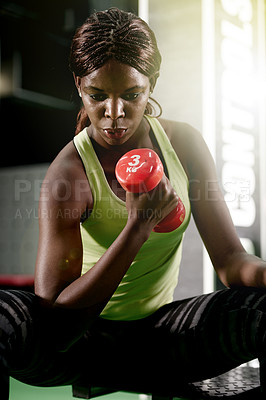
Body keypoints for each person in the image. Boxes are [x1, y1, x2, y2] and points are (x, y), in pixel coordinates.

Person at [1, 7, 266, 398]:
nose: (113, 114)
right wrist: (137, 229)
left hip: (163, 336)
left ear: (151, 83)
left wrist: (262, 275)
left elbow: (230, 261)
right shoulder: (69, 175)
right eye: (97, 96)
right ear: (79, 86)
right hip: (83, 346)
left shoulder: (184, 144)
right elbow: (58, 330)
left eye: (131, 95)